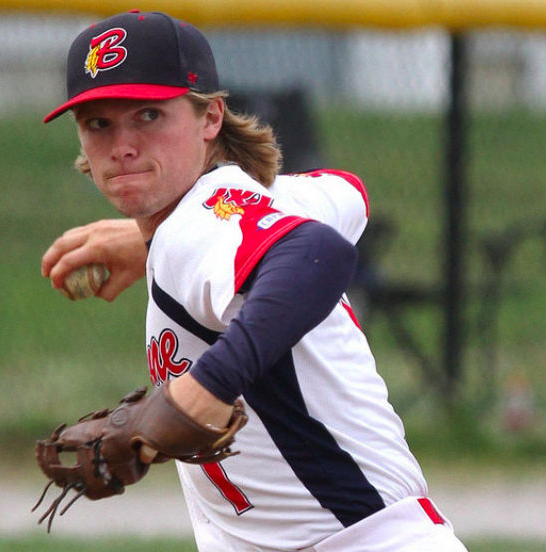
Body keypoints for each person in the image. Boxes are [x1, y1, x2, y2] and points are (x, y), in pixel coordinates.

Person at [40, 10, 468, 551]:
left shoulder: (196, 228)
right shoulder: (228, 211)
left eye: (148, 115)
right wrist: (147, 238)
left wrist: (205, 387)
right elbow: (348, 193)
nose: (122, 144)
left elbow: (318, 252)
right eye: (98, 123)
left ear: (210, 117)